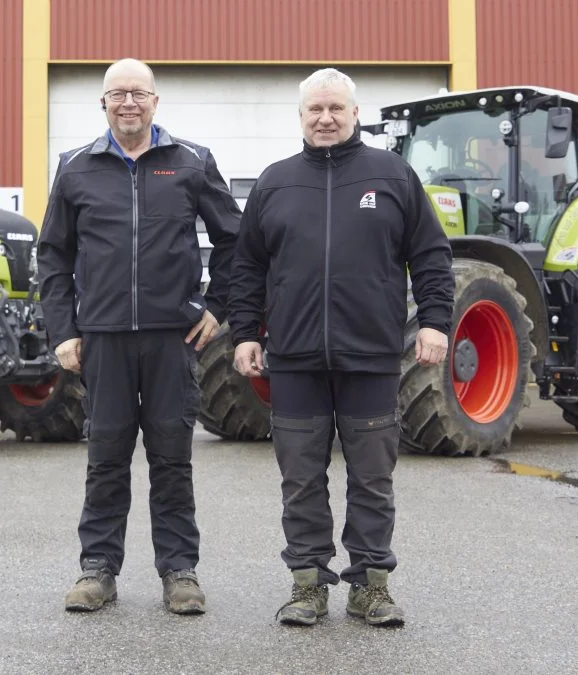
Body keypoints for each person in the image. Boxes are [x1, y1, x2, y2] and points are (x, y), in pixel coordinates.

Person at [227, 68, 455, 627]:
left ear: (355, 113)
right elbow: (247, 268)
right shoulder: (275, 182)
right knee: (301, 477)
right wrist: (245, 334)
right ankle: (307, 585)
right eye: (314, 110)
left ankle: (371, 587)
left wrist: (434, 322)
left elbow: (430, 255)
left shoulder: (393, 175)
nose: (325, 118)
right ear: (301, 117)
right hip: (296, 359)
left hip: (371, 357)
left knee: (372, 478)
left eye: (335, 109)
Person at [36, 58, 241, 615]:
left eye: (138, 94)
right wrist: (63, 331)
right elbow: (53, 254)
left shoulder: (192, 162)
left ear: (156, 102)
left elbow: (235, 243)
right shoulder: (75, 167)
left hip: (174, 339)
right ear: (102, 103)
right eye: (117, 94)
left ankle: (180, 571)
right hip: (101, 339)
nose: (128, 102)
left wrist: (217, 308)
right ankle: (97, 569)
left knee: (172, 456)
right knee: (106, 456)